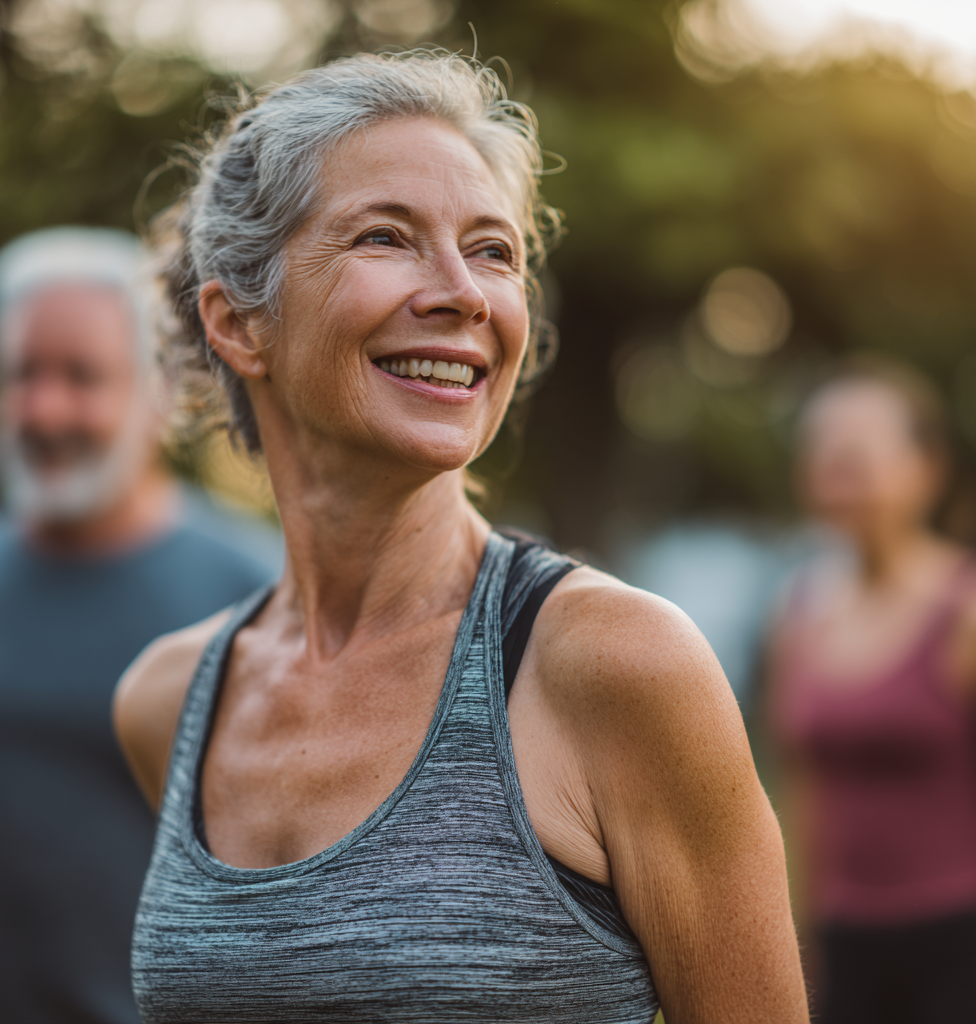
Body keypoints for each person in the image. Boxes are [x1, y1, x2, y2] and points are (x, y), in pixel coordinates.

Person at [114, 51, 807, 1024]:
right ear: (237, 323)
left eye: (492, 251)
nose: (465, 293)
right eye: (386, 237)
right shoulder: (168, 703)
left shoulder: (617, 667)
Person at [0, 227, 283, 1024]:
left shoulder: (259, 598)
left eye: (81, 376)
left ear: (158, 392)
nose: (44, 408)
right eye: (24, 374)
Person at [766, 363, 976, 1024]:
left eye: (854, 460)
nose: (835, 479)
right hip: (842, 943)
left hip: (957, 940)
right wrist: (796, 931)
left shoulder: (964, 611)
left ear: (928, 469)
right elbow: (798, 787)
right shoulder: (798, 608)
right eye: (822, 459)